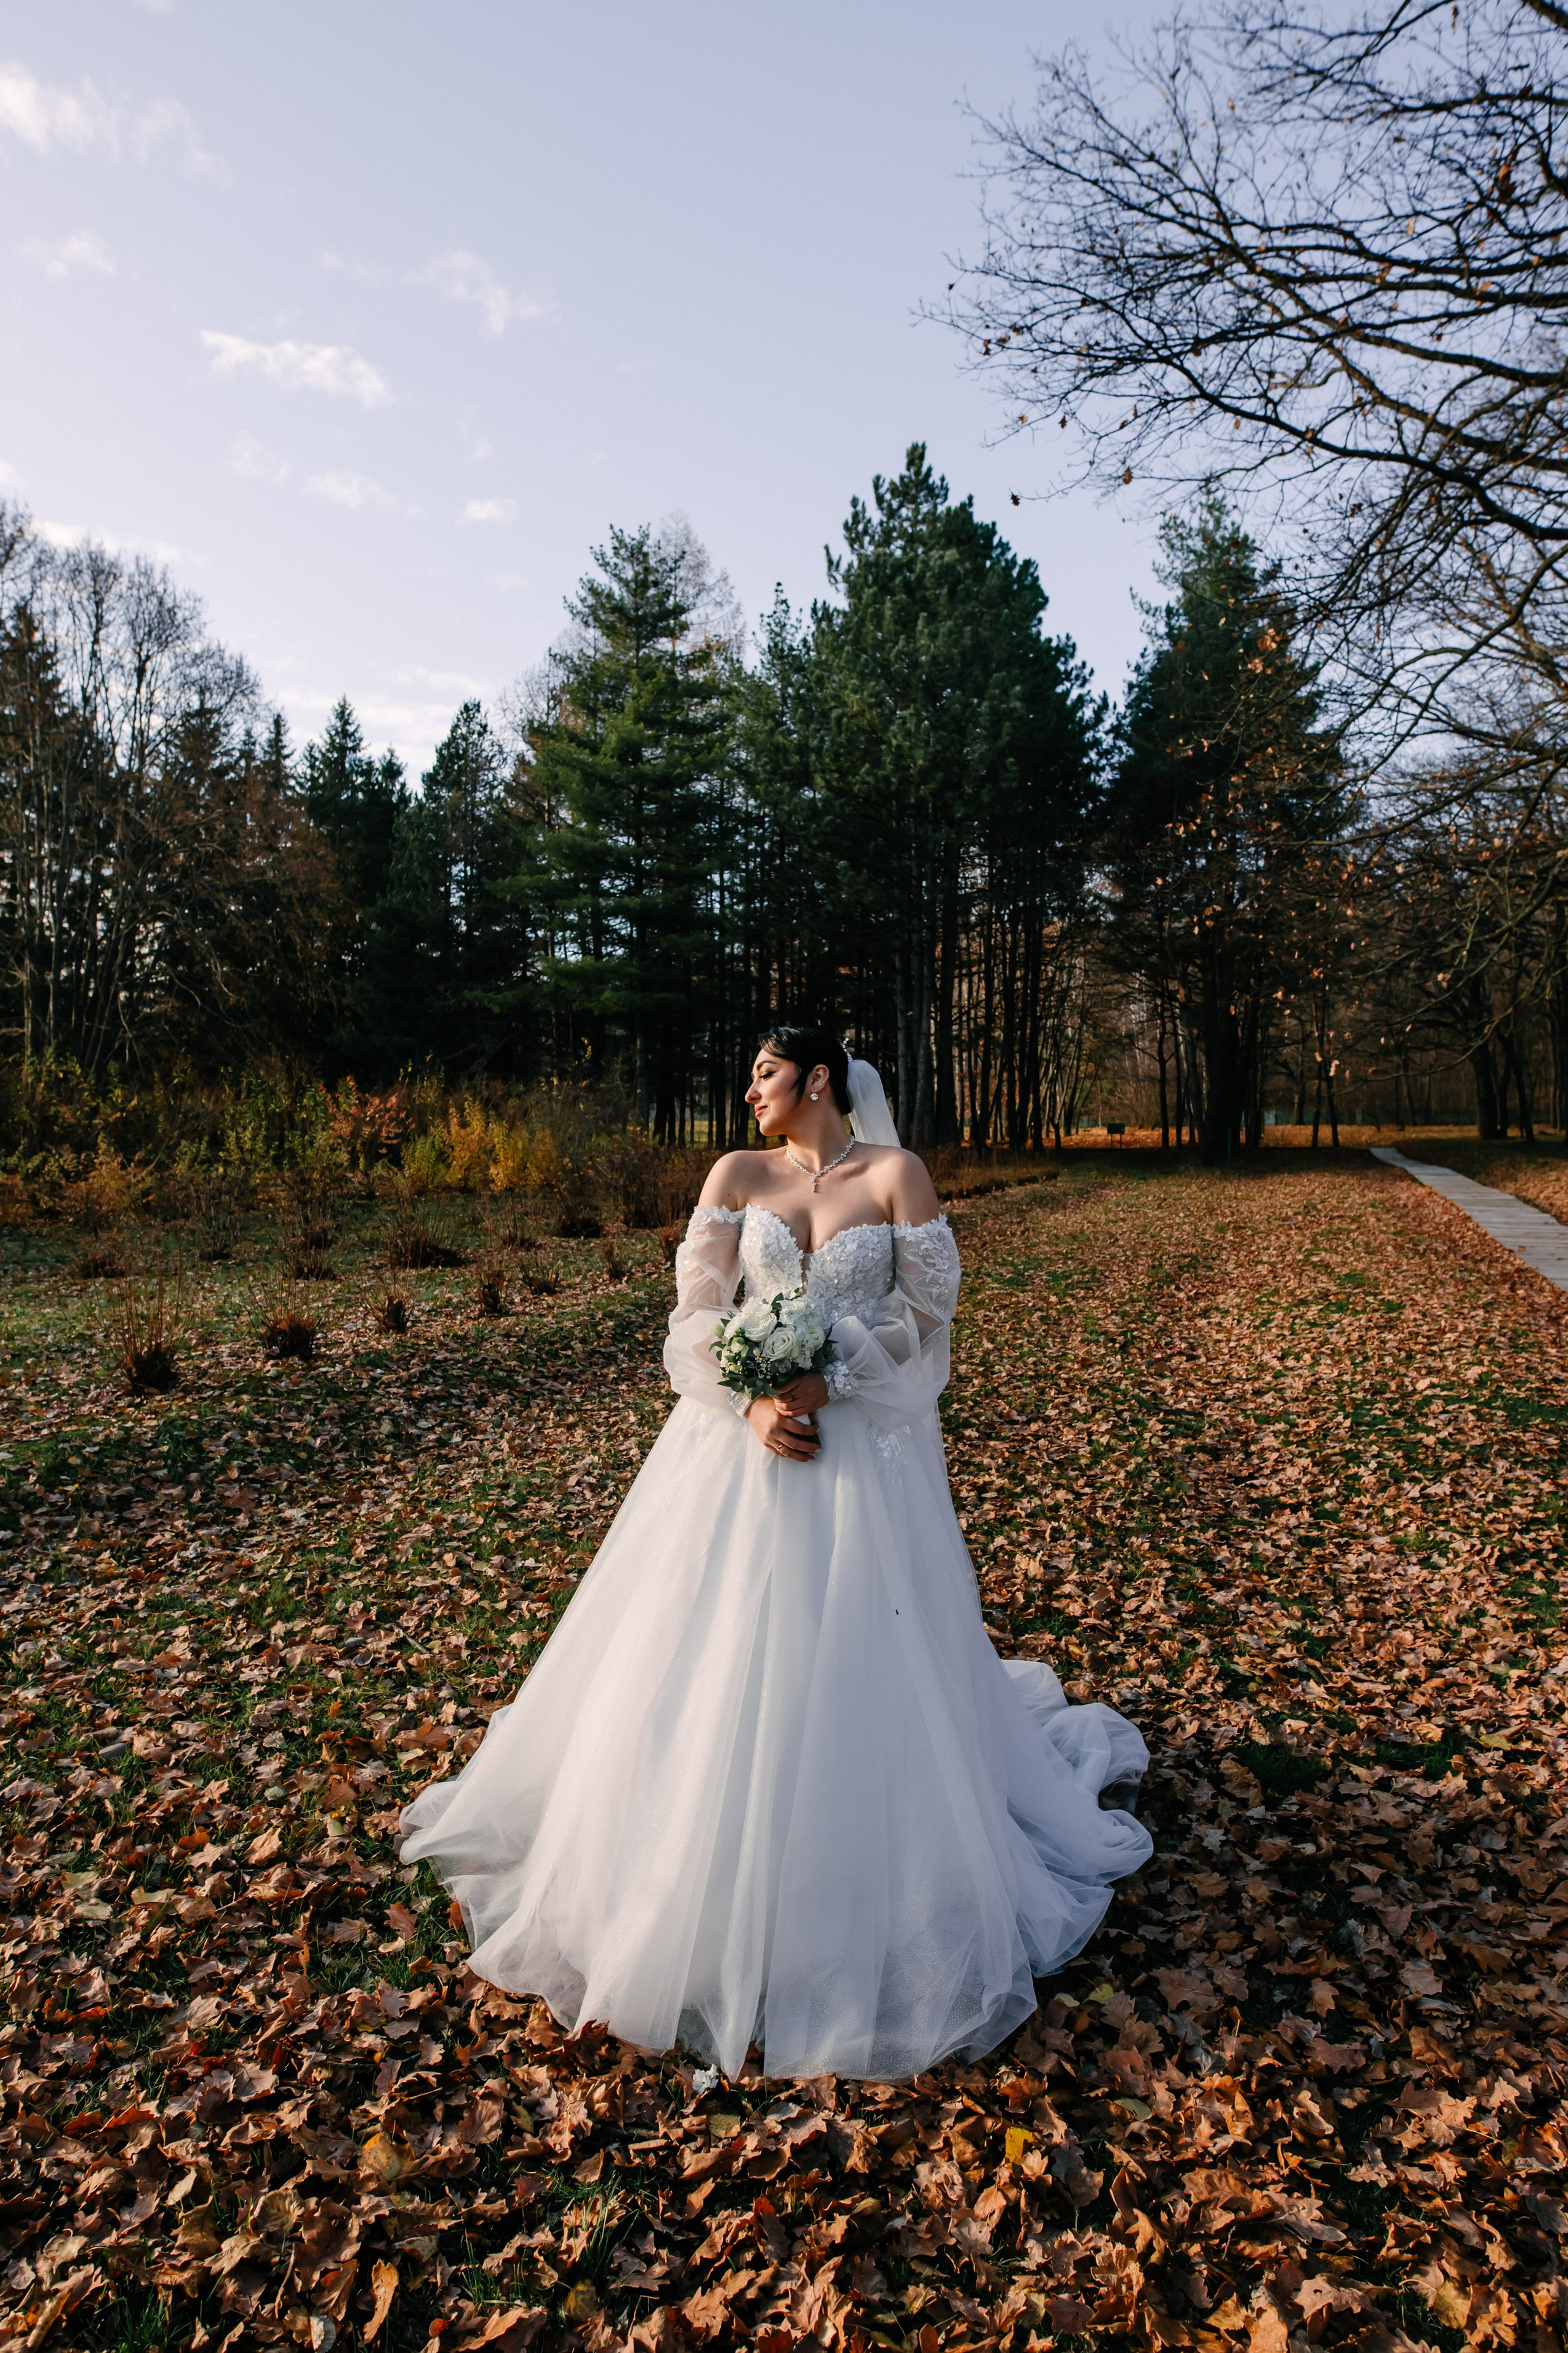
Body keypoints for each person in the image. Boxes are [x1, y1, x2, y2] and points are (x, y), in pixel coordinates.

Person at [401, 1025, 1151, 2081]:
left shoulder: (897, 1174)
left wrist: (835, 1378)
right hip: (738, 1454)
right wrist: (752, 1398)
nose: (750, 1088)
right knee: (708, 1652)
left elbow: (930, 1314)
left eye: (764, 1072)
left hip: (862, 1461)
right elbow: (697, 1314)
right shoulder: (735, 1173)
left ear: (819, 1079)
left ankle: (847, 1883)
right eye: (750, 1073)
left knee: (852, 1654)